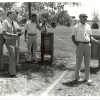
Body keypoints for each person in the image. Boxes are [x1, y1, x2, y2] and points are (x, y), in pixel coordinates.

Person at [72, 13, 100, 86]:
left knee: (87, 63)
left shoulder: (88, 26)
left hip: (88, 45)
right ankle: (77, 77)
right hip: (80, 45)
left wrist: (96, 41)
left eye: (86, 17)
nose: (85, 18)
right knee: (78, 62)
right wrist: (77, 44)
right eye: (84, 17)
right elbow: (73, 37)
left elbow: (90, 37)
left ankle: (87, 78)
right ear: (80, 18)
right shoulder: (76, 26)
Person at [2, 11, 21, 77]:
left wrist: (19, 31)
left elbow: (15, 30)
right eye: (13, 14)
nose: (15, 16)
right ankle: (12, 73)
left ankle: (11, 71)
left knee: (14, 55)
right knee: (12, 56)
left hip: (14, 41)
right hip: (9, 41)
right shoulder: (5, 22)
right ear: (9, 14)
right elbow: (4, 32)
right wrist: (13, 35)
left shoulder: (13, 22)